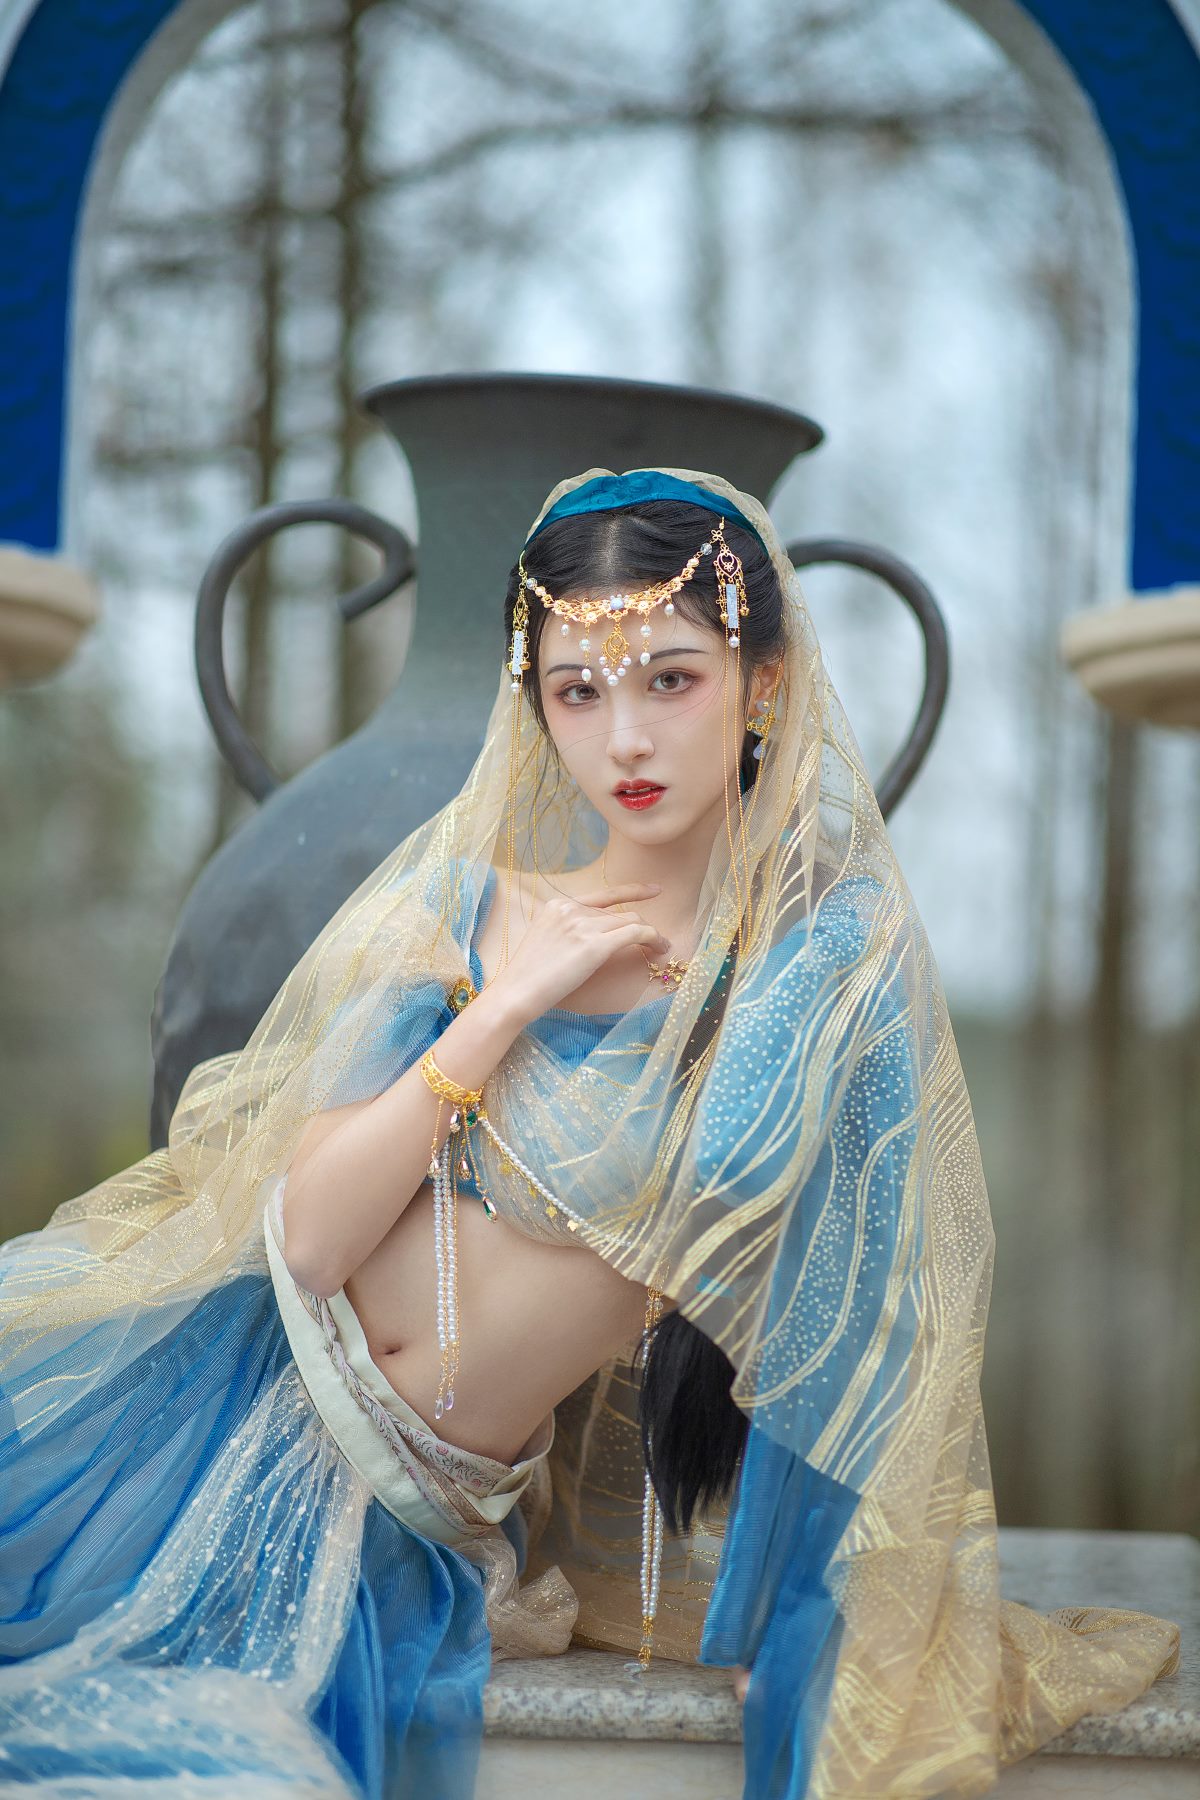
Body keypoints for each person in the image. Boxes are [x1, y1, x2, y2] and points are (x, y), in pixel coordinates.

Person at [0, 465, 1180, 1799]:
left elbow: (864, 1328)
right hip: (187, 1415)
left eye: (670, 679)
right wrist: (509, 1003)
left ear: (764, 682)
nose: (625, 739)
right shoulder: (464, 911)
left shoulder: (823, 963)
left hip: (404, 1528)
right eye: (577, 691)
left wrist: (807, 1625)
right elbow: (314, 1244)